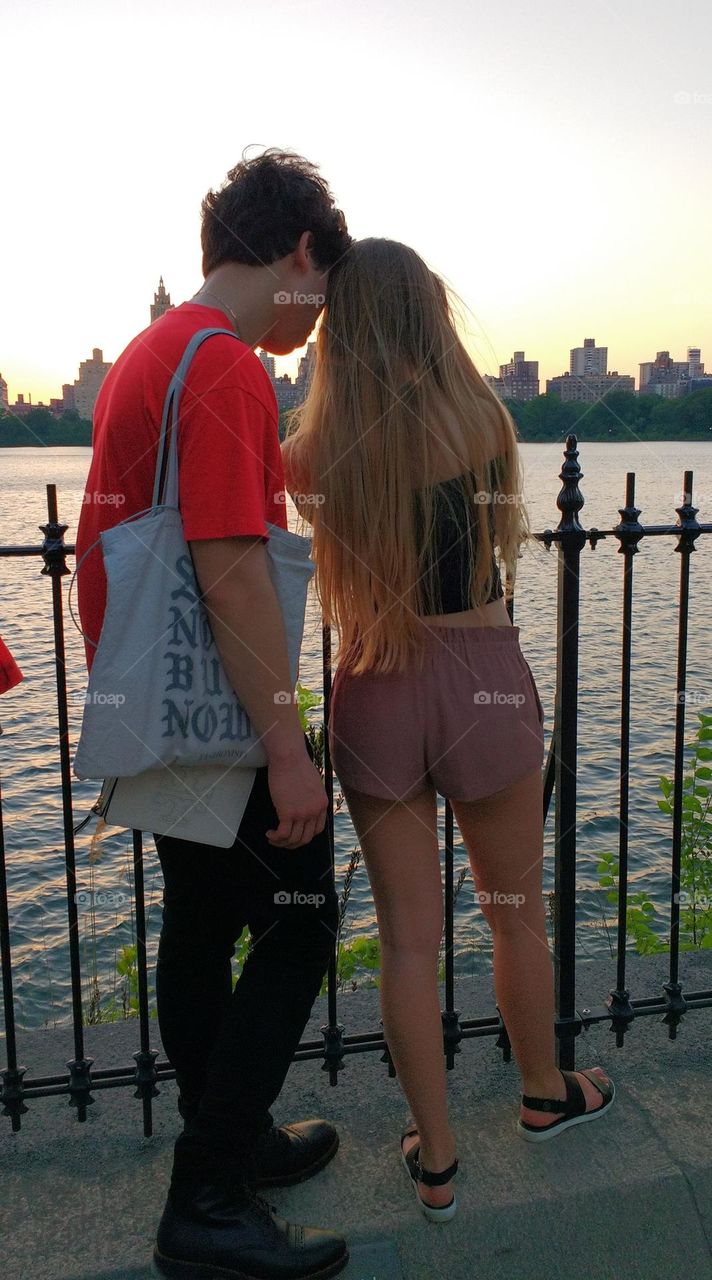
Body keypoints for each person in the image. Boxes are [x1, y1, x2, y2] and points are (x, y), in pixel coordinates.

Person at [281, 238, 615, 1223]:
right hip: (484, 685)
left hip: (376, 690)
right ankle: (546, 1092)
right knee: (513, 909)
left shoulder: (311, 451)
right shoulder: (486, 418)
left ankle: (435, 1159)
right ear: (431, 313)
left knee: (407, 944)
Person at [75, 149, 352, 1280]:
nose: (318, 314)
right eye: (320, 287)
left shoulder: (150, 353)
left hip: (154, 702)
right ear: (296, 252)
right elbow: (233, 565)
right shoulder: (227, 365)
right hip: (221, 720)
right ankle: (206, 1197)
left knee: (197, 927)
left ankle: (226, 1142)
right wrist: (287, 752)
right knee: (298, 920)